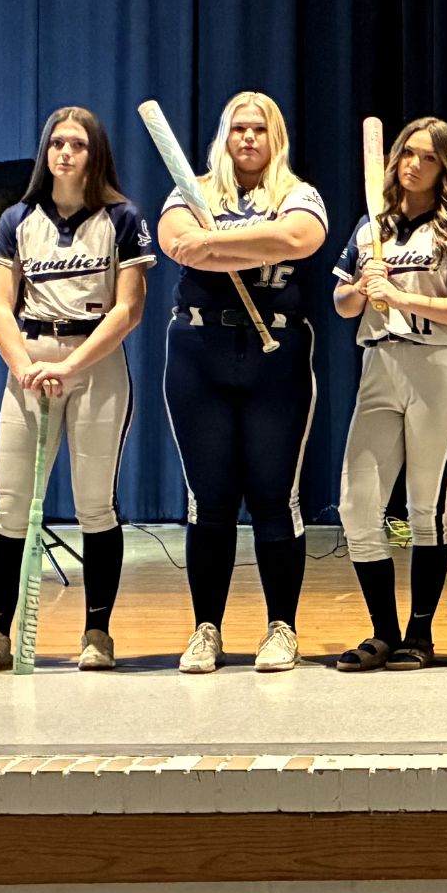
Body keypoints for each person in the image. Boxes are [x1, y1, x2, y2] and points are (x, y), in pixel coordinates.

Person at [0, 107, 154, 673]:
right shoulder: (17, 219)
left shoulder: (123, 217)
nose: (65, 152)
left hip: (95, 363)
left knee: (95, 504)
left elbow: (129, 309)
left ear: (96, 154)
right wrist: (24, 365)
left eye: (77, 144)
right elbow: (0, 305)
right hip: (31, 363)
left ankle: (97, 633)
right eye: (56, 143)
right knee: (12, 505)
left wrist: (71, 364)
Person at [157, 91, 327, 675]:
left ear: (275, 137)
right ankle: (206, 628)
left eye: (259, 129)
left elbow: (299, 239)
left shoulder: (299, 193)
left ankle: (282, 627)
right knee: (210, 499)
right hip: (198, 350)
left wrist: (214, 244)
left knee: (275, 496)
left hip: (275, 353)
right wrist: (252, 241)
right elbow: (176, 243)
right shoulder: (193, 190)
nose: (248, 138)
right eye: (238, 129)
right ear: (224, 136)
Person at [331, 117, 447, 672]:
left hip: (437, 365)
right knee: (357, 506)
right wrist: (362, 285)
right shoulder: (370, 227)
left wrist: (401, 296)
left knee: (427, 507)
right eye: (407, 153)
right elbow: (342, 305)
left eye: (428, 157)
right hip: (378, 364)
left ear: (445, 167)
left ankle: (419, 635)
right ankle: (383, 631)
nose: (414, 164)